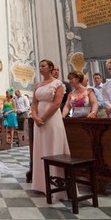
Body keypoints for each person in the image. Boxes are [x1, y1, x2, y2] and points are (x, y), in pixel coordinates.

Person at [31, 59, 69, 196]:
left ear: (50, 68)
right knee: (41, 148)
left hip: (52, 119)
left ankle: (56, 185)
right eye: (39, 66)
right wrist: (35, 117)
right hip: (39, 120)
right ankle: (41, 183)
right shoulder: (38, 85)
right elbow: (34, 103)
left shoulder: (58, 84)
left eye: (43, 66)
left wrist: (44, 117)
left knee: (53, 147)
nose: (40, 68)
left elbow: (56, 104)